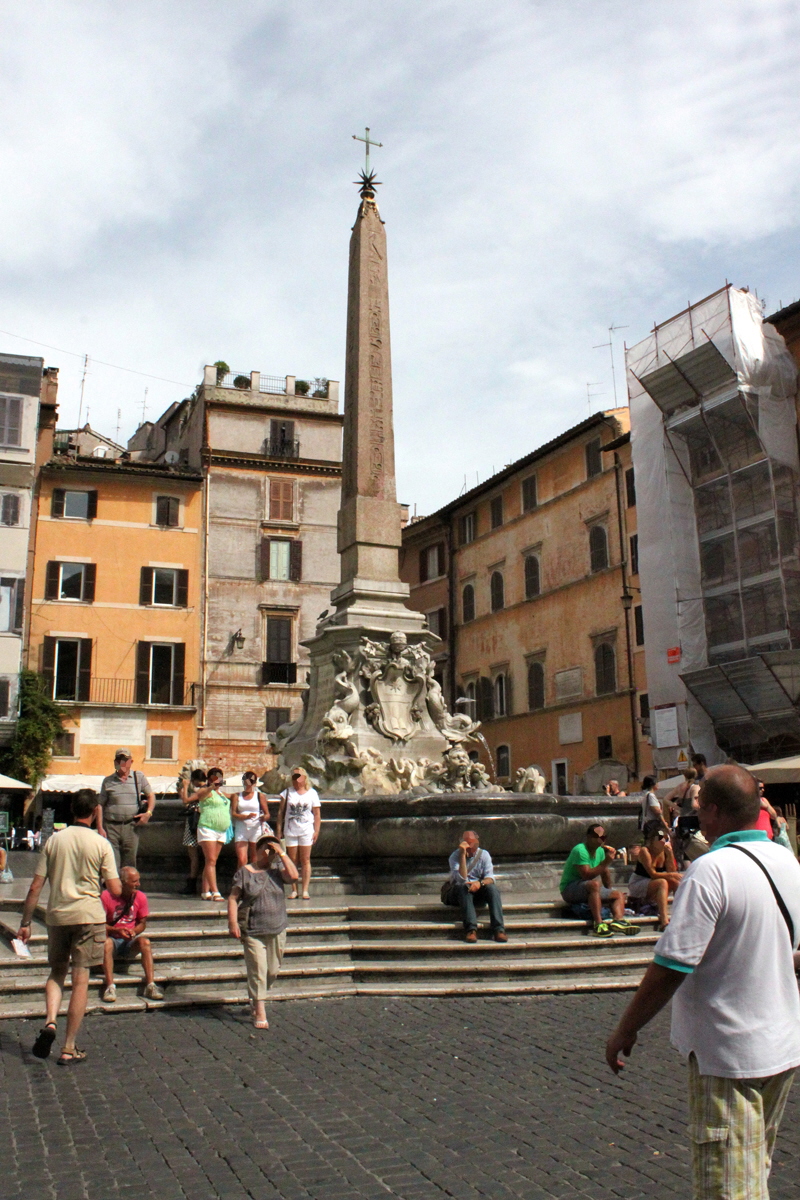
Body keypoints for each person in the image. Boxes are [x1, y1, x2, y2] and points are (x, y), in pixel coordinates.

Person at [606, 765, 800, 1200]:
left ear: (712, 812)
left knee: (728, 1188)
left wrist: (627, 1026)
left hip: (728, 1054)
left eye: (698, 809)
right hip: (783, 1046)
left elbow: (673, 964)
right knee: (754, 1172)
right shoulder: (788, 862)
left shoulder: (711, 871)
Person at [17, 789, 121, 1065]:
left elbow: (36, 886)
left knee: (56, 972)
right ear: (95, 811)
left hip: (58, 916)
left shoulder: (54, 841)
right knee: (81, 980)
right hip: (89, 916)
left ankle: (50, 1021)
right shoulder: (101, 844)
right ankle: (69, 1047)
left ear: (72, 809)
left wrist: (26, 923)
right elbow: (114, 887)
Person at [227, 832, 298, 1029]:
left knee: (272, 971)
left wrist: (282, 854)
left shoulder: (277, 871)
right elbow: (233, 898)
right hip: (253, 929)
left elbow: (293, 877)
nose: (269, 852)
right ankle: (260, 1010)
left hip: (277, 927)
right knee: (258, 969)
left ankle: (256, 997)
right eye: (265, 848)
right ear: (257, 851)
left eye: (272, 848)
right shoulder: (244, 872)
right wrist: (232, 922)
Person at [560, 824, 639, 938]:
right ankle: (598, 924)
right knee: (594, 885)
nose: (600, 840)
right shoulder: (580, 850)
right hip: (569, 889)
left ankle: (618, 920)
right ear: (588, 837)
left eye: (603, 837)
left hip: (588, 888)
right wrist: (606, 862)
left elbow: (604, 872)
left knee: (618, 894)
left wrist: (609, 891)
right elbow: (586, 875)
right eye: (596, 836)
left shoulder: (600, 851)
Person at [100, 866, 163, 1002]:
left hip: (129, 940)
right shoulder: (106, 896)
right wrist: (116, 930)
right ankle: (110, 986)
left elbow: (142, 922)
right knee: (107, 944)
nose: (138, 884)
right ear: (123, 882)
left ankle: (151, 985)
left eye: (138, 880)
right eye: (134, 881)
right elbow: (98, 924)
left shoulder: (140, 897)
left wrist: (133, 931)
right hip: (112, 938)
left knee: (145, 942)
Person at [442, 830, 508, 942]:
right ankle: (471, 930)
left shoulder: (484, 855)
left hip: (477, 890)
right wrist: (462, 855)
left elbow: (490, 878)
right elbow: (461, 880)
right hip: (458, 892)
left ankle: (499, 930)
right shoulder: (455, 857)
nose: (472, 849)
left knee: (492, 889)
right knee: (464, 888)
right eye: (469, 846)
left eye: (475, 845)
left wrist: (479, 883)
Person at [95, 749, 155, 870]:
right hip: (111, 827)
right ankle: (113, 888)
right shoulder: (108, 781)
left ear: (131, 762)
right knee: (111, 863)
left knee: (130, 863)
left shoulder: (139, 777)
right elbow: (100, 804)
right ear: (115, 763)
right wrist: (100, 827)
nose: (122, 763)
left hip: (131, 826)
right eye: (119, 760)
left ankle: (127, 888)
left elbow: (151, 795)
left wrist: (148, 813)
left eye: (125, 760)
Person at [626, 820, 682, 930]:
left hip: (654, 882)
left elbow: (672, 871)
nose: (663, 841)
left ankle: (679, 915)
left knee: (675, 882)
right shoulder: (645, 851)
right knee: (663, 882)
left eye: (665, 839)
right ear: (653, 840)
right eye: (660, 839)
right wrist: (670, 875)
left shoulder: (665, 851)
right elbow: (652, 874)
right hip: (639, 882)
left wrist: (670, 854)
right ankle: (664, 921)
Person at [277, 767, 321, 900]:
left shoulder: (312, 793)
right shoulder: (287, 793)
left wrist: (316, 830)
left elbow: (317, 814)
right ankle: (294, 889)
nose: (297, 780)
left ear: (305, 778)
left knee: (305, 859)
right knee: (292, 860)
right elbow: (281, 812)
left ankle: (305, 889)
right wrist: (278, 830)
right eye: (294, 777)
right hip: (290, 830)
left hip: (306, 830)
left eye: (299, 777)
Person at [192, 767, 231, 901]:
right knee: (211, 860)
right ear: (209, 779)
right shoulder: (205, 790)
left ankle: (205, 891)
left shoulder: (221, 793)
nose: (217, 780)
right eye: (214, 778)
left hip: (221, 829)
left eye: (219, 777)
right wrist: (210, 787)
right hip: (208, 828)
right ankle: (215, 891)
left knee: (211, 861)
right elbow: (199, 796)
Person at [231, 771, 273, 868]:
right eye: (245, 784)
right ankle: (241, 881)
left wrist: (264, 817)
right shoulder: (237, 796)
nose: (247, 787)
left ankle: (253, 881)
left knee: (255, 859)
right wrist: (245, 817)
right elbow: (233, 813)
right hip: (241, 829)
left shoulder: (259, 796)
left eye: (249, 785)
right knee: (242, 859)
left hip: (255, 829)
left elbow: (267, 814)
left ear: (254, 784)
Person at [178, 767, 206, 895]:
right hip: (206, 825)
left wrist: (184, 786)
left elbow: (185, 801)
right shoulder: (209, 788)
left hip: (194, 825)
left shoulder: (200, 791)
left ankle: (192, 883)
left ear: (194, 780)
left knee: (193, 856)